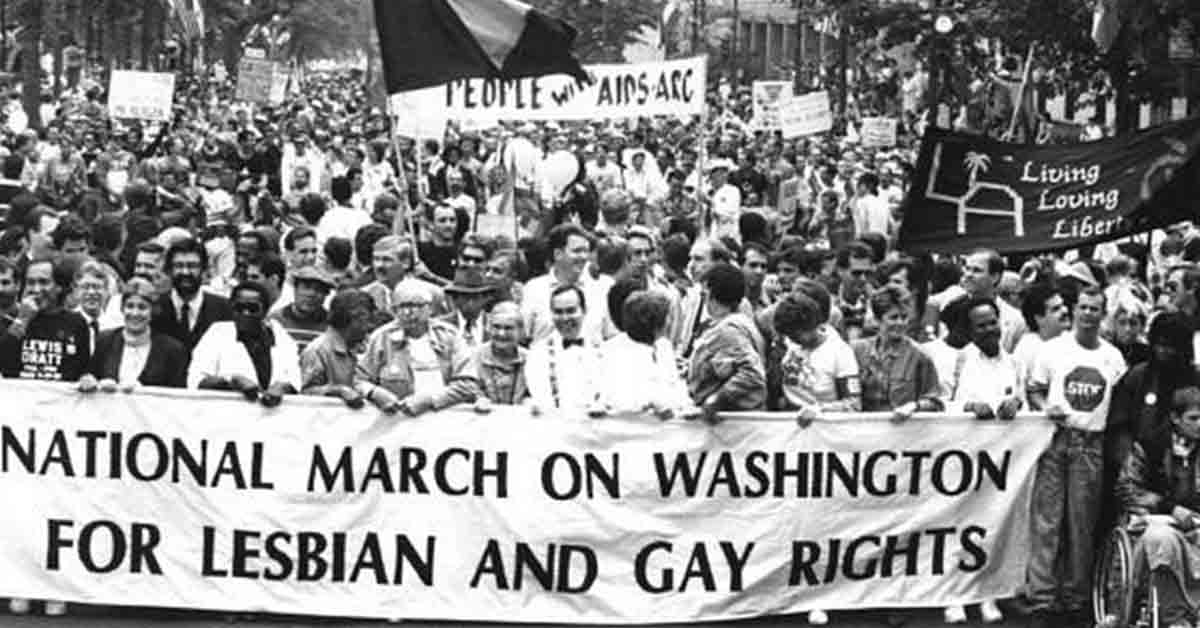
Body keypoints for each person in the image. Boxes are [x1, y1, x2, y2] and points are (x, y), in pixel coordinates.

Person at [1025, 286, 1128, 628]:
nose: (1087, 314)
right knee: (1047, 521)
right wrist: (1044, 408)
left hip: (1091, 443)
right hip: (1056, 439)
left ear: (1103, 313)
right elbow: (1035, 388)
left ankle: (1076, 597)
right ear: (1074, 311)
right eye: (1082, 307)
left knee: (1081, 523)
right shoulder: (1052, 350)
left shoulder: (1113, 357)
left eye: (1095, 309)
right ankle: (1041, 597)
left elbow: (1119, 406)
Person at [1116, 386, 1200, 628]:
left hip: (1195, 526)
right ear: (1175, 418)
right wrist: (1169, 508)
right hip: (1154, 525)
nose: (1199, 424)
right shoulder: (1150, 446)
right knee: (1162, 539)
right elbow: (1126, 488)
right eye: (1193, 418)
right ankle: (1175, 617)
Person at [356, 279, 474, 416]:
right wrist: (374, 393)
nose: (407, 313)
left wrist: (430, 400)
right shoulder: (381, 338)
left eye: (414, 306)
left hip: (444, 419)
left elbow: (468, 383)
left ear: (429, 308)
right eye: (401, 307)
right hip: (397, 423)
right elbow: (357, 379)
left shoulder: (449, 337)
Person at [188, 281, 301, 407]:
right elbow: (196, 380)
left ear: (265, 311)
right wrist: (231, 381)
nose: (245, 313)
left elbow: (295, 381)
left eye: (253, 309)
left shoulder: (282, 339)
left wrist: (282, 387)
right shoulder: (217, 334)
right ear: (231, 308)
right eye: (239, 308)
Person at [687, 263, 766, 422]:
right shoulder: (740, 322)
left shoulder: (728, 330)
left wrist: (716, 399)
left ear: (710, 293)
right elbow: (728, 364)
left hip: (732, 423)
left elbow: (752, 373)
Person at [852, 286, 942, 417]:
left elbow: (935, 402)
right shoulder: (857, 350)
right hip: (862, 429)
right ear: (878, 319)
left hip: (901, 429)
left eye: (904, 317)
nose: (900, 323)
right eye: (893, 317)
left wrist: (914, 406)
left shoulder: (920, 356)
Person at [599, 290, 691, 418]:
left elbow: (674, 386)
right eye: (668, 317)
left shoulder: (664, 346)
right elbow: (623, 400)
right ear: (655, 322)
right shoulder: (616, 350)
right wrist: (661, 404)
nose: (670, 322)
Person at [82, 278, 188, 388]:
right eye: (130, 306)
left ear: (153, 311)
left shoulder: (172, 350)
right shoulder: (105, 340)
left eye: (142, 307)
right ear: (122, 308)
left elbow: (177, 397)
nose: (135, 313)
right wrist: (90, 382)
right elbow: (91, 377)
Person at [0, 254, 90, 381]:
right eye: (31, 283)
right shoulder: (10, 319)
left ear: (58, 286)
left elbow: (83, 370)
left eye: (44, 282)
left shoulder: (76, 323)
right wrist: (22, 320)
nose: (36, 289)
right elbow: (4, 362)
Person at [525, 284, 604, 416]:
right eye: (558, 312)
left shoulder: (601, 350)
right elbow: (540, 397)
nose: (565, 318)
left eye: (571, 310)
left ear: (584, 311)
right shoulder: (538, 354)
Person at [522, 224, 603, 344]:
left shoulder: (600, 289)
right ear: (558, 254)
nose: (583, 257)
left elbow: (611, 338)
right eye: (577, 251)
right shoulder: (534, 289)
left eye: (586, 251)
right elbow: (522, 335)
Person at [300, 289, 378, 408]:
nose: (369, 326)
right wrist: (340, 391)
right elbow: (306, 394)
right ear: (354, 318)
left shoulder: (358, 347)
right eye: (367, 320)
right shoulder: (318, 350)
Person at [152, 238, 233, 351]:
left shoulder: (224, 309)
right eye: (179, 266)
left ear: (204, 269)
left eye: (192, 266)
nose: (185, 272)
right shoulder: (154, 307)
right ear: (169, 270)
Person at [463, 301, 529, 407]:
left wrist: (530, 402)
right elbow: (465, 391)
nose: (501, 333)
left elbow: (538, 393)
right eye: (496, 327)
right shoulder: (473, 358)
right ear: (488, 327)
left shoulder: (531, 360)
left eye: (508, 328)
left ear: (520, 331)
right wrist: (478, 399)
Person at [271, 265, 335, 353]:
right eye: (306, 287)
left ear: (326, 294)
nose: (311, 294)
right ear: (295, 289)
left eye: (318, 289)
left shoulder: (332, 325)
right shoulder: (275, 320)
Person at [439, 267, 496, 348]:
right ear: (455, 298)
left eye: (476, 297)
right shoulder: (440, 326)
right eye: (465, 297)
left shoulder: (496, 326)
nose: (470, 303)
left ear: (486, 298)